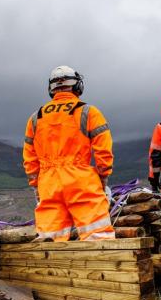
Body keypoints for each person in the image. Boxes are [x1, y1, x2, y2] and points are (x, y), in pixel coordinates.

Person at [23, 66, 115, 241]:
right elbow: (103, 149)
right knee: (98, 238)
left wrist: (36, 185)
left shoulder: (36, 117)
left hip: (48, 184)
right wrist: (103, 177)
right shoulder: (88, 112)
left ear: (51, 89)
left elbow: (30, 158)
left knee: (50, 241)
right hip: (81, 182)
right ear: (76, 85)